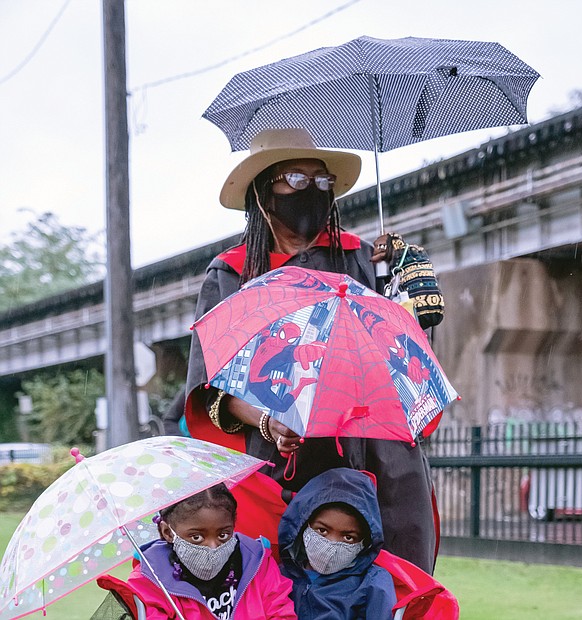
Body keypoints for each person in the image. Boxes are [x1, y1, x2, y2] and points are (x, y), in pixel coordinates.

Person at [185, 127, 437, 573]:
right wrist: (268, 420)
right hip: (279, 457)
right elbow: (213, 387)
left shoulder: (363, 260)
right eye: (296, 181)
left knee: (382, 584)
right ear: (265, 193)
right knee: (281, 584)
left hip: (373, 451)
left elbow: (405, 363)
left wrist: (410, 299)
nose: (313, 191)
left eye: (322, 182)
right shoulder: (231, 272)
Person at [126, 483, 297, 619]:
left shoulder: (257, 561)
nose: (213, 547)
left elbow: (281, 611)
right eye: (197, 537)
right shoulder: (150, 578)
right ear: (168, 532)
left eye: (223, 535)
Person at [278, 467, 397, 620]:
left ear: (364, 542)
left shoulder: (372, 582)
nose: (332, 545)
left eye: (348, 537)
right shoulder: (280, 576)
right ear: (303, 526)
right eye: (322, 530)